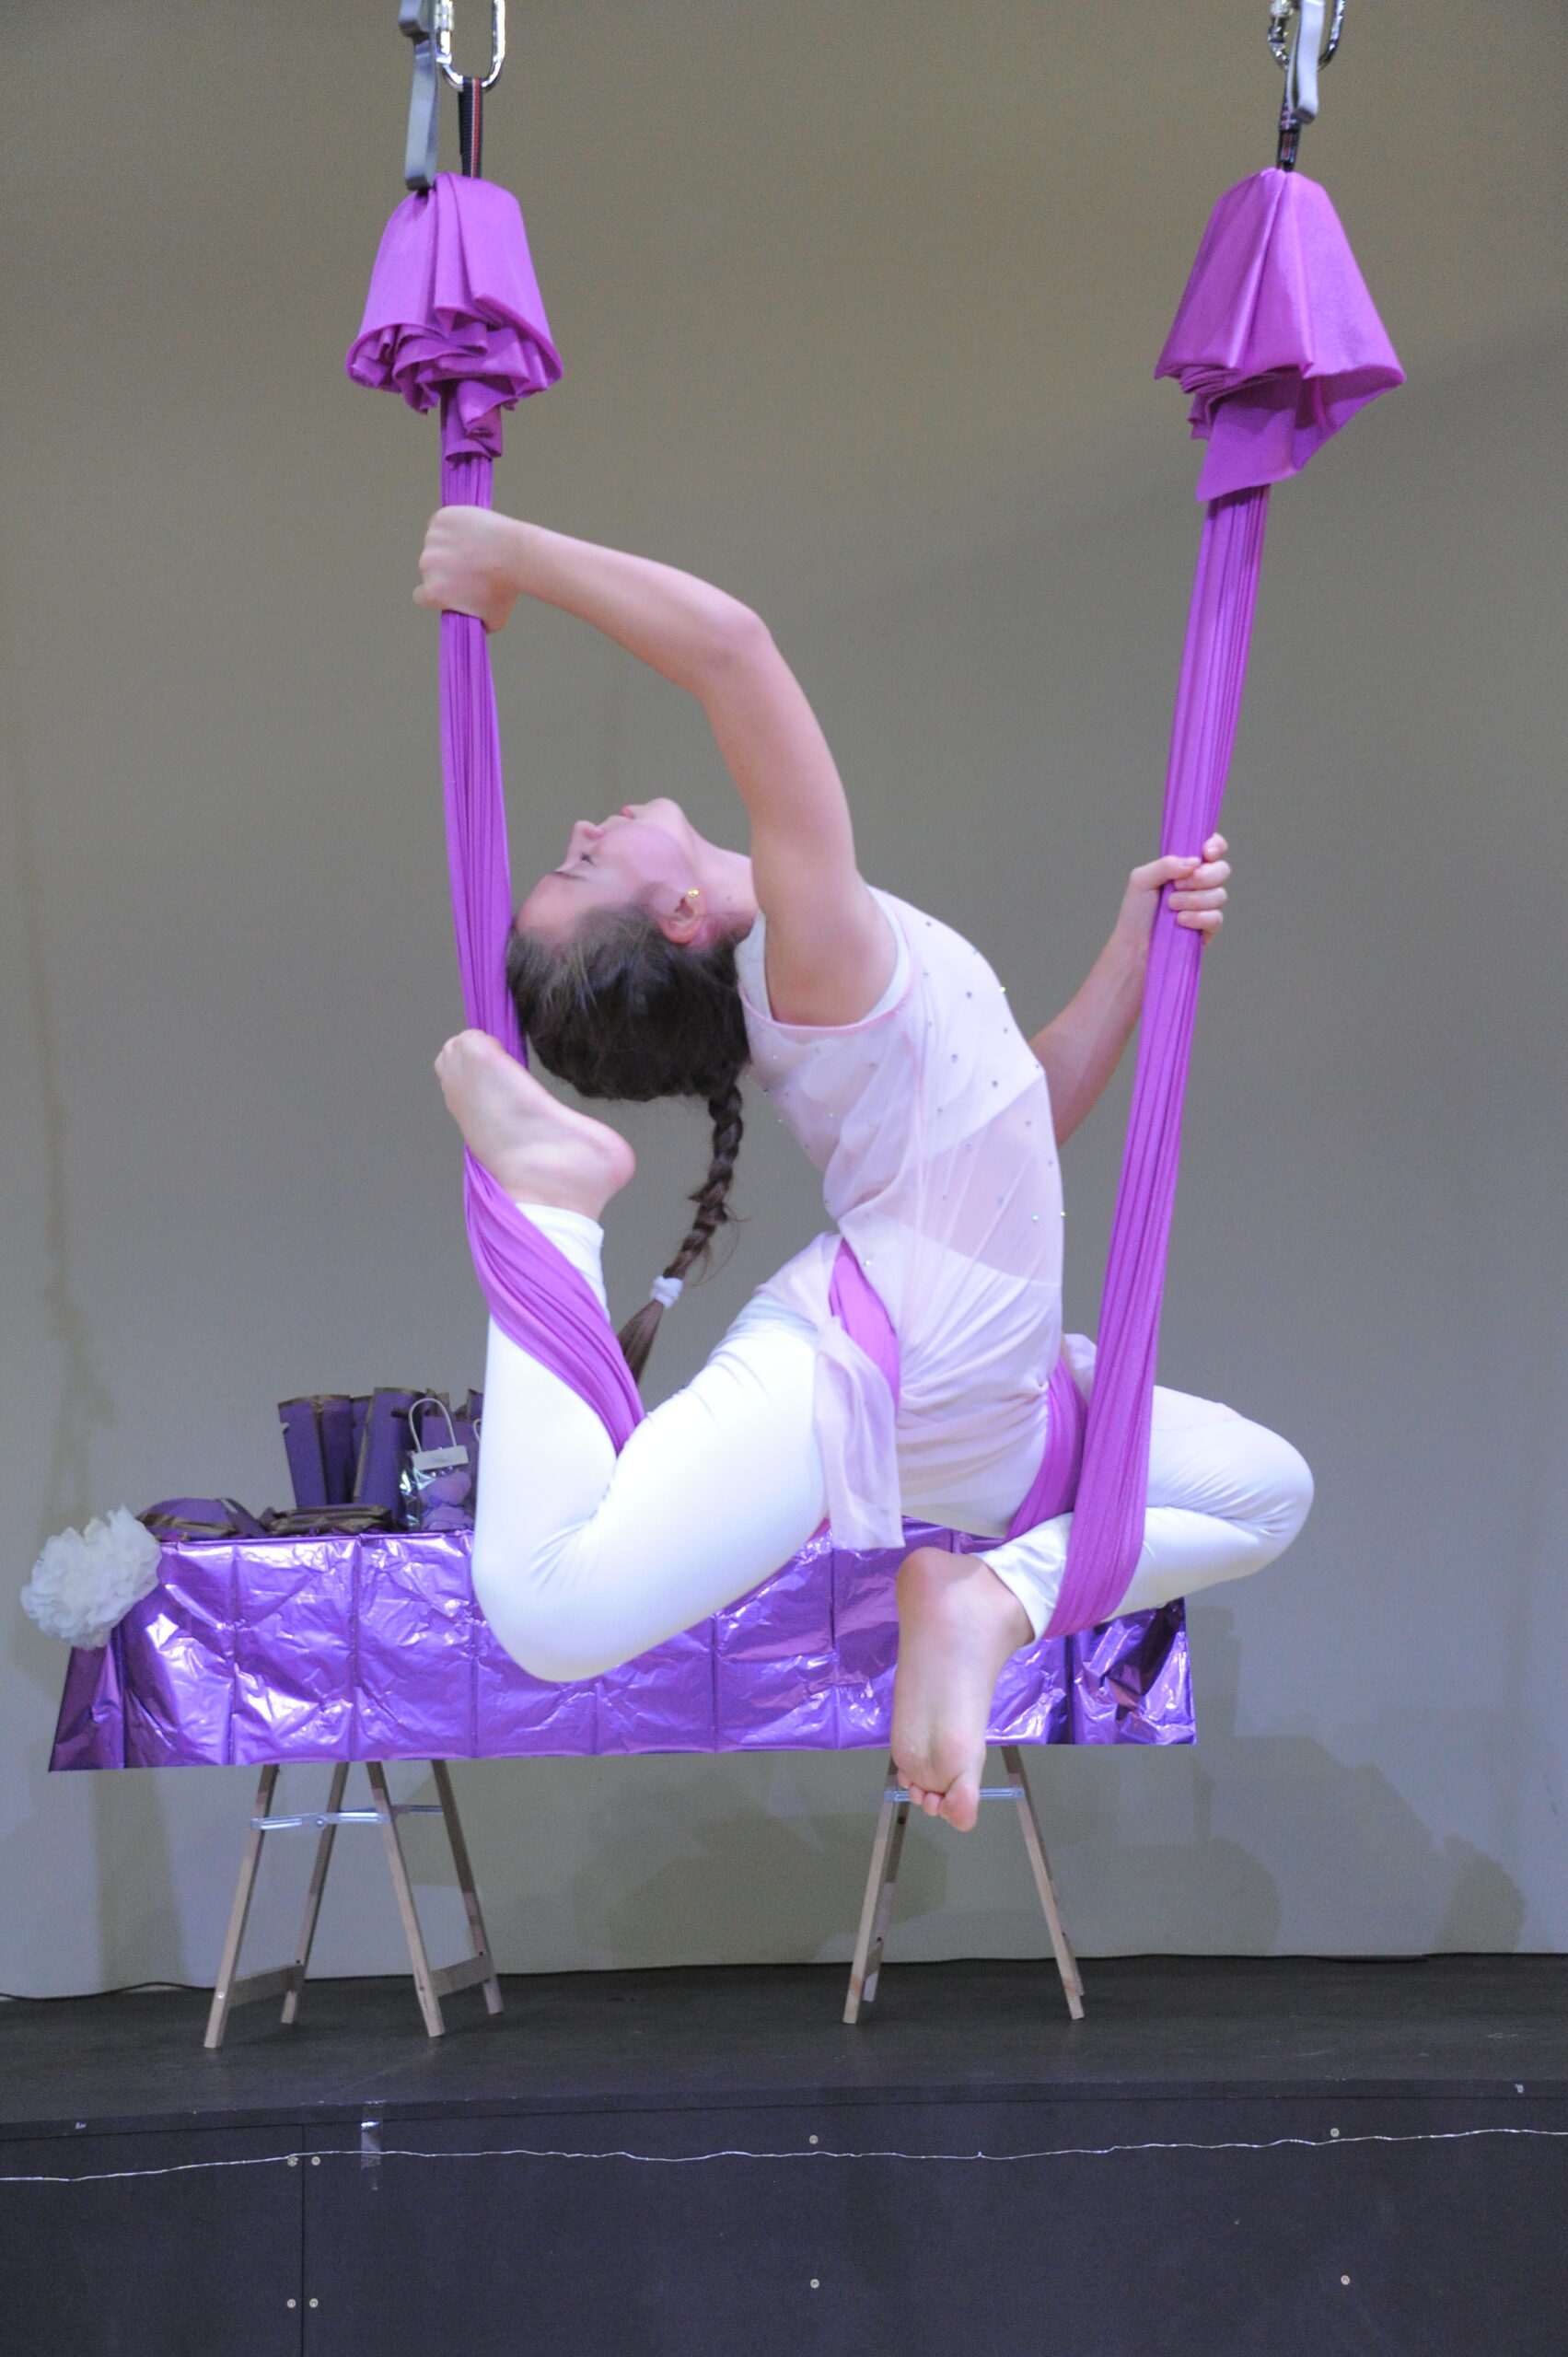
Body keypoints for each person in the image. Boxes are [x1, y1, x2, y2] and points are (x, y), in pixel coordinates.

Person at [415, 508, 1313, 1829]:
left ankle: (986, 1599)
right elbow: (731, 650)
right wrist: (511, 558)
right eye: (583, 862)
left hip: (993, 1401)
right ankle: (550, 1201)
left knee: (1268, 1491)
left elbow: (1019, 1120)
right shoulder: (812, 942)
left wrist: (1135, 948)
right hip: (883, 1356)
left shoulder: (812, 982)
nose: (587, 823)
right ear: (680, 915)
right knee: (548, 1609)